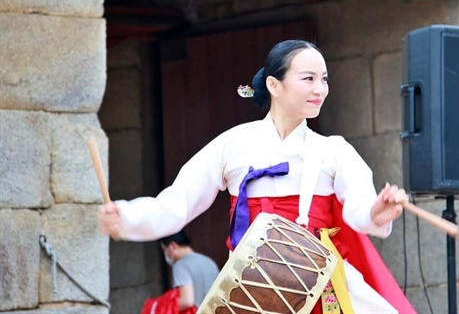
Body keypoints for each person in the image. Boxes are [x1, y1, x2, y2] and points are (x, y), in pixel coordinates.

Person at [99, 39, 415, 313]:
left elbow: (359, 210)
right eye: (308, 78)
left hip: (317, 285)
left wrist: (377, 211)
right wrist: (125, 217)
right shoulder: (233, 145)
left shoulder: (334, 151)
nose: (320, 89)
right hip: (251, 286)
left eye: (324, 79)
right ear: (274, 85)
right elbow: (177, 203)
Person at [160, 231, 219, 310]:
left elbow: (187, 301)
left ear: (172, 246)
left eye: (165, 249)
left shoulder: (180, 266)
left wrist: (160, 307)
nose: (165, 253)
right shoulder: (209, 262)